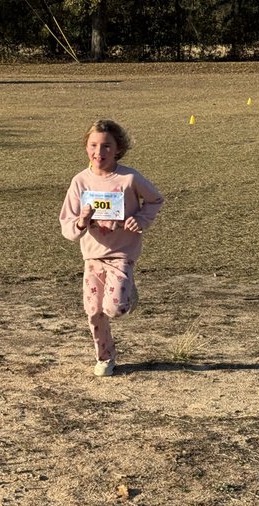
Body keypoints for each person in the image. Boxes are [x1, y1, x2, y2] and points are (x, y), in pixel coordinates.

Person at [60, 119, 164, 376]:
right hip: (93, 256)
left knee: (113, 308)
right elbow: (68, 223)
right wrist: (82, 222)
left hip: (121, 254)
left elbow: (155, 199)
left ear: (118, 149)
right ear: (86, 148)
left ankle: (127, 294)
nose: (99, 152)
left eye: (106, 146)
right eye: (93, 145)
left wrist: (139, 219)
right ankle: (105, 357)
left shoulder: (129, 178)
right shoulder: (80, 181)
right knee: (94, 311)